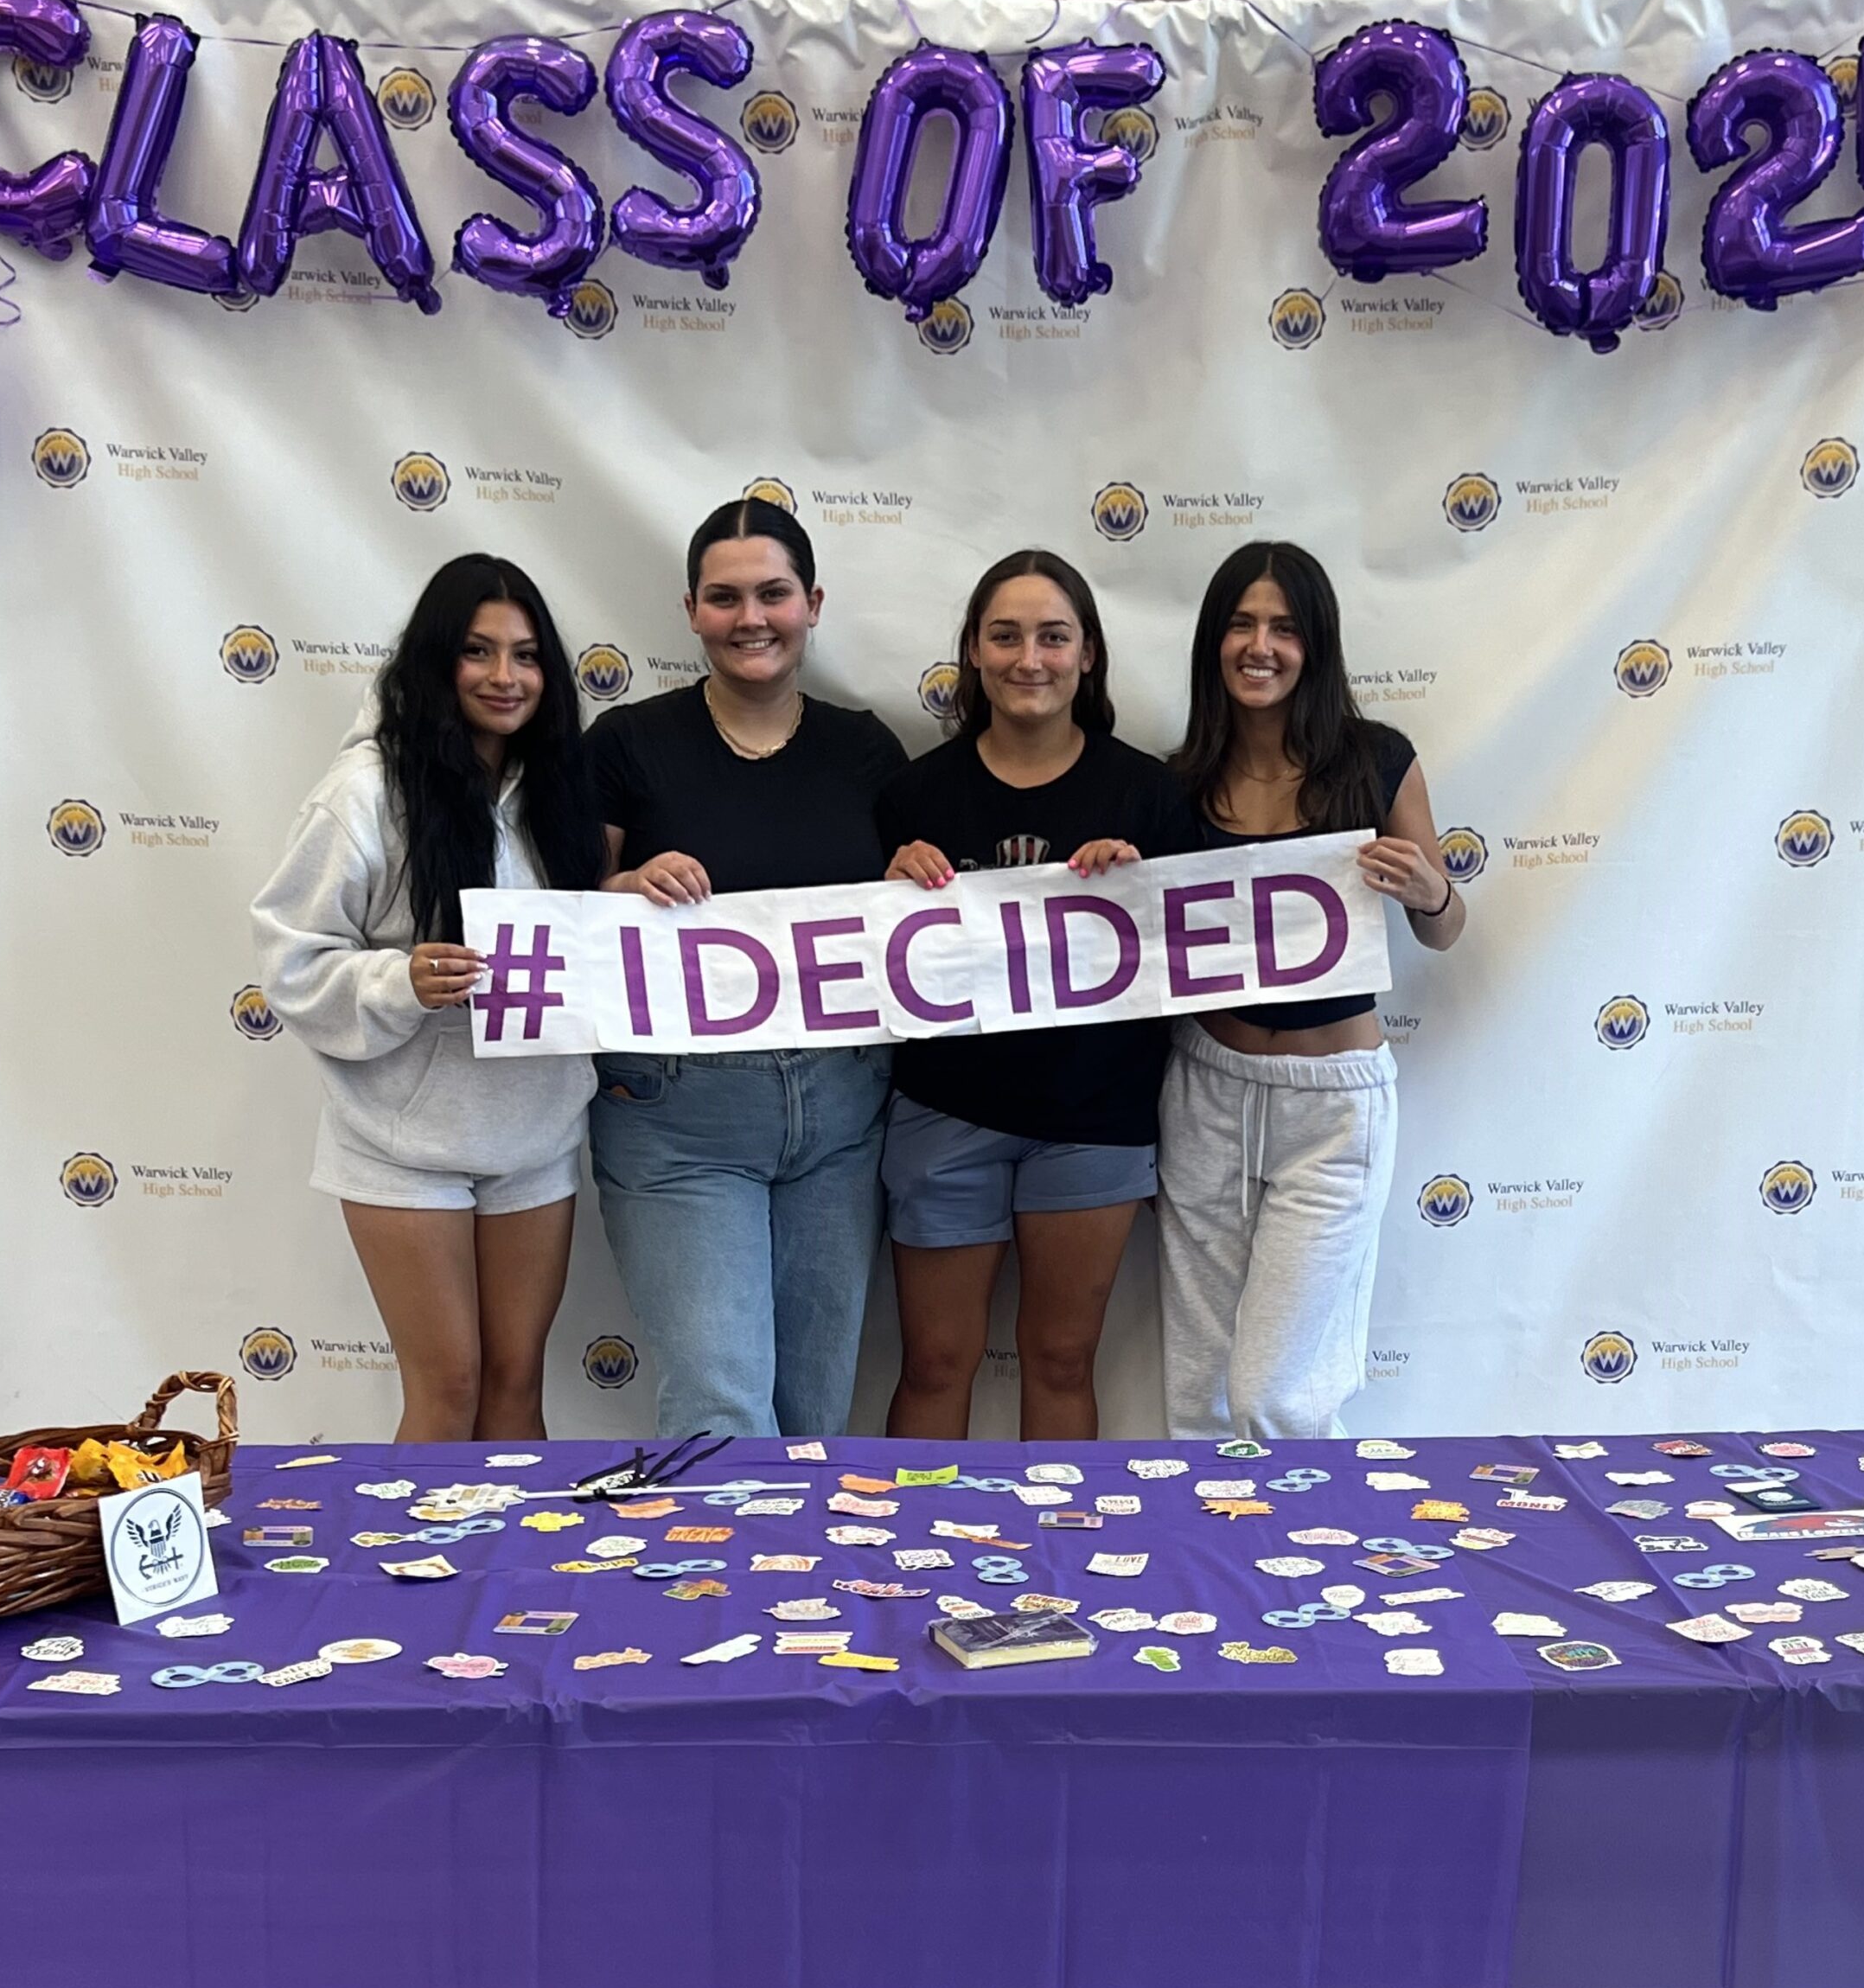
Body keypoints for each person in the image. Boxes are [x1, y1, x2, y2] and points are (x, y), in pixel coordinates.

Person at [252, 554, 605, 1441]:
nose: (504, 677)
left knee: (518, 1385)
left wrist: (631, 894)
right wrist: (397, 980)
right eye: (477, 652)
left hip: (535, 1131)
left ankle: (523, 1572)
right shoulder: (364, 793)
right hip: (400, 1143)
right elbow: (291, 961)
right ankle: (417, 1580)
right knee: (448, 1388)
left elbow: (580, 941)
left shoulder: (557, 791)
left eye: (525, 656)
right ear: (435, 660)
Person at [586, 498, 908, 1439]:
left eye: (772, 593)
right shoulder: (624, 745)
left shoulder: (866, 749)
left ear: (812, 603)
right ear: (690, 610)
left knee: (812, 1417)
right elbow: (557, 907)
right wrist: (624, 883)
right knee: (722, 1414)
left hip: (844, 1113)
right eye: (724, 598)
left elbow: (907, 918)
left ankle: (799, 1590)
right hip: (676, 1117)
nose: (750, 617)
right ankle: (714, 1590)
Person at [876, 548, 1195, 1441]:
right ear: (972, 654)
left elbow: (1198, 953)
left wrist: (1143, 891)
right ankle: (910, 1559)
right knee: (936, 1362)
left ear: (1087, 653)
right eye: (1005, 636)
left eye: (1053, 637)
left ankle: (1056, 1567)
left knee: (1060, 1359)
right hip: (943, 1111)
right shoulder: (910, 793)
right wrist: (885, 881)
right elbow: (861, 960)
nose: (1030, 659)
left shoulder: (1146, 791)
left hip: (1095, 1118)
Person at [1157, 540, 1464, 1441]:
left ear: (1315, 645)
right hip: (1206, 1089)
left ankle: (1311, 1569)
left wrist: (1430, 891)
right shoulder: (1177, 783)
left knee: (1278, 1396)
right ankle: (1204, 1576)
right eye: (1242, 624)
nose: (1261, 645)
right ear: (1213, 641)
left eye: (1284, 627)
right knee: (1199, 1397)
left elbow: (1443, 927)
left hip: (1333, 1104)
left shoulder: (1375, 760)